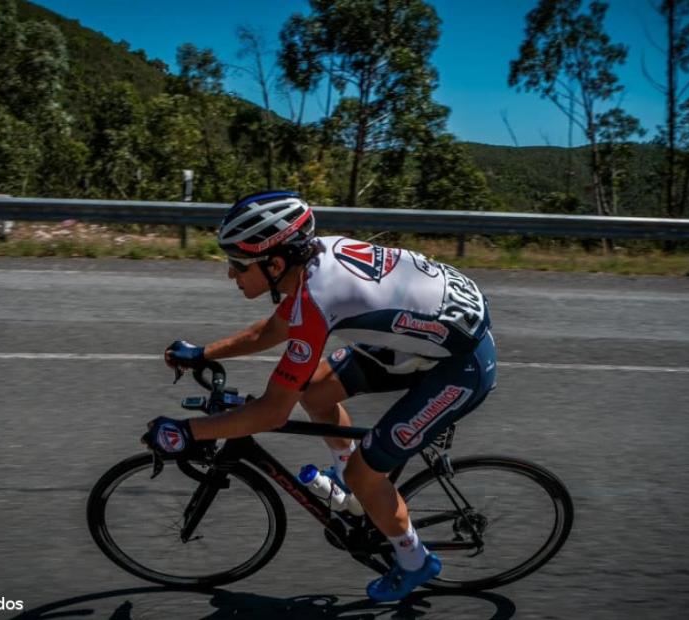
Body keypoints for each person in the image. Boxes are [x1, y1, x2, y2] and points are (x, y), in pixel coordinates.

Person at [142, 190, 498, 602]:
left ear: (275, 263)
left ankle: (415, 560)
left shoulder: (316, 299)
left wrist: (188, 432)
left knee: (366, 473)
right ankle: (355, 497)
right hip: (423, 339)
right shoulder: (312, 258)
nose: (230, 274)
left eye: (237, 264)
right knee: (314, 392)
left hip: (460, 367)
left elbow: (273, 412)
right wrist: (204, 352)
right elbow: (272, 330)